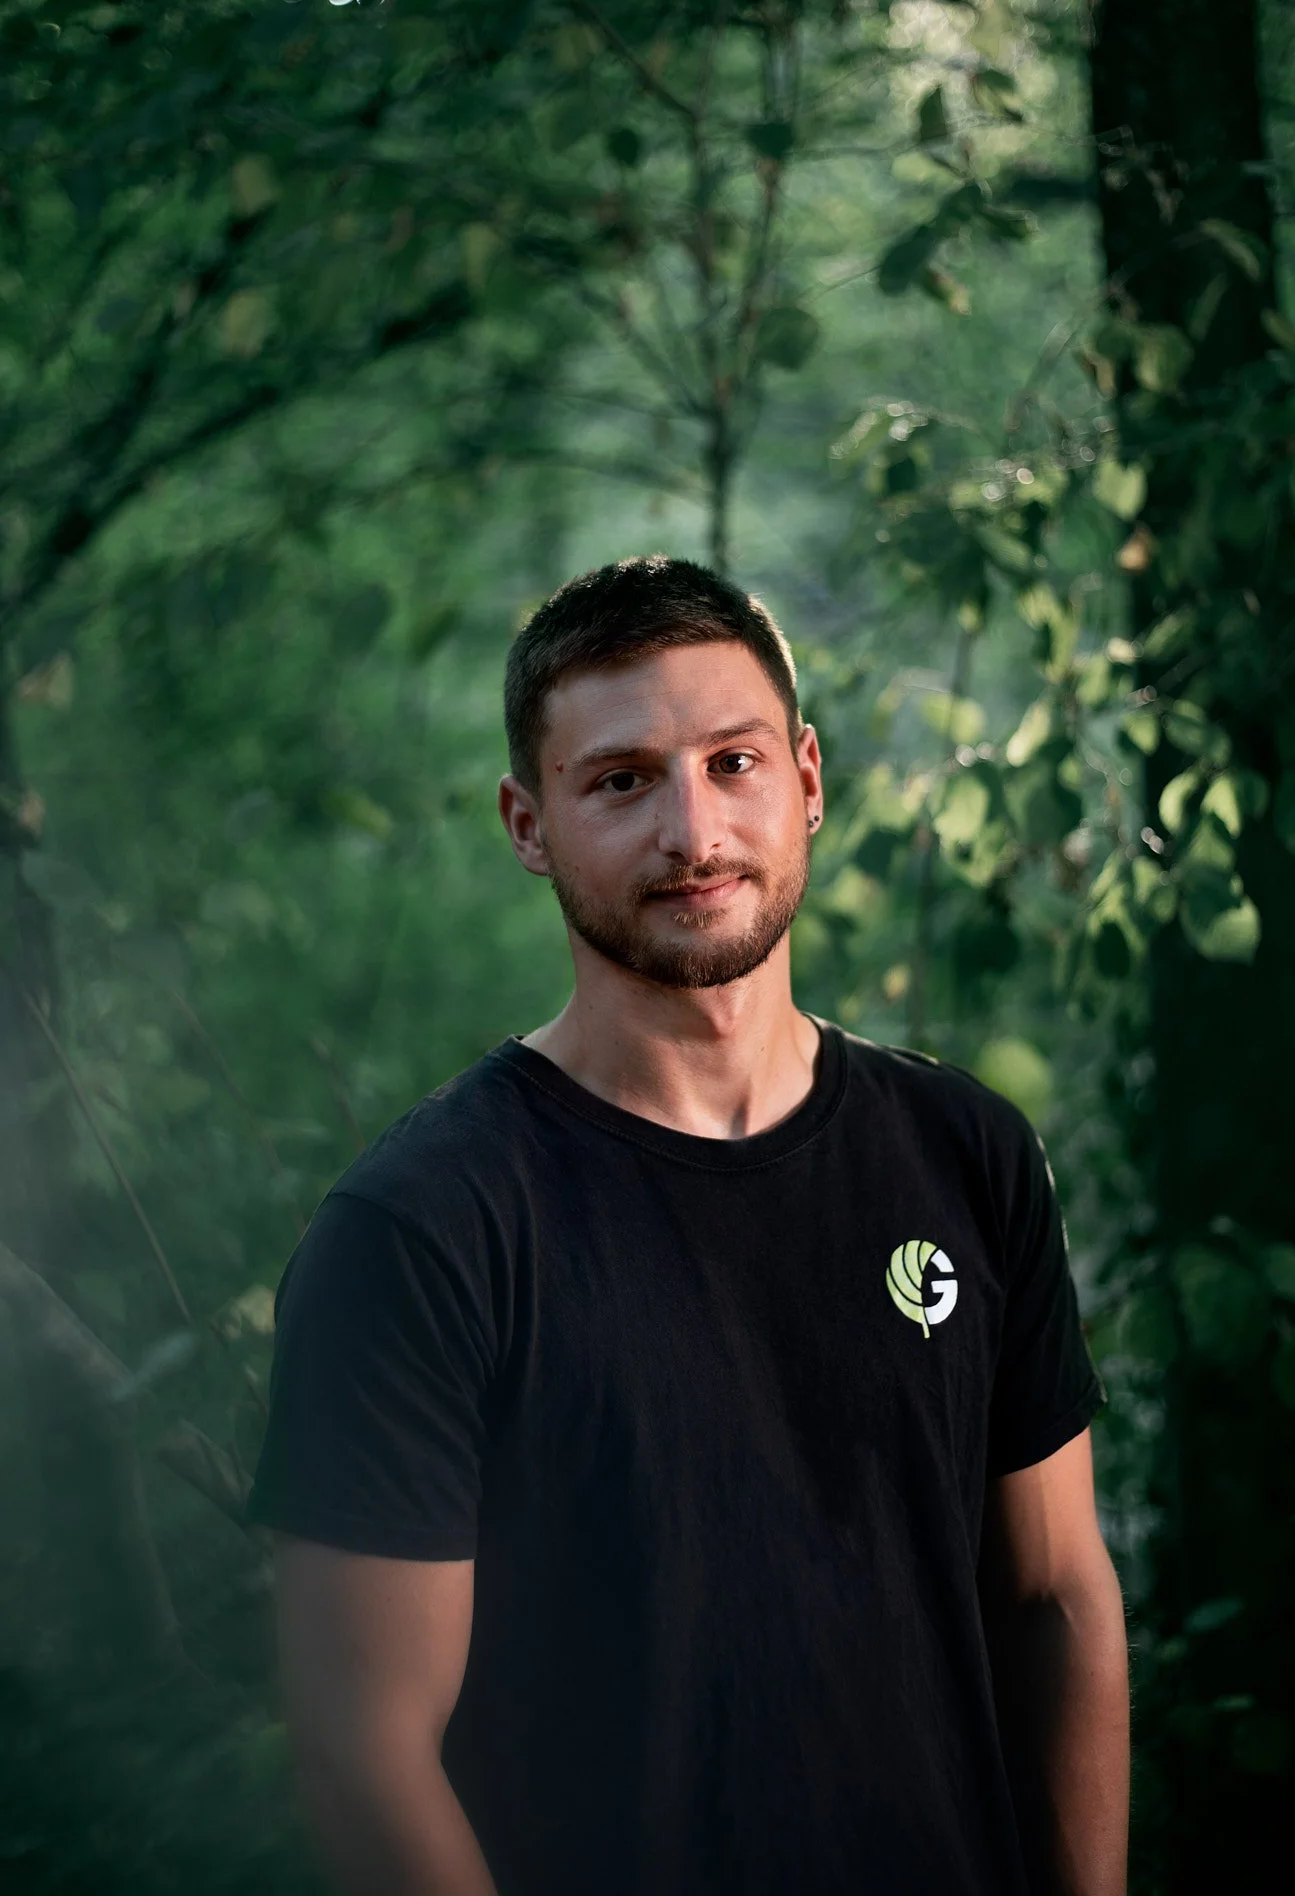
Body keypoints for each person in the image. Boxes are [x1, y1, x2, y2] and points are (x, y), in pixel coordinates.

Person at [247, 555, 1129, 1896]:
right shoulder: (421, 1231)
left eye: (733, 763)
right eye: (621, 781)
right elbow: (363, 1752)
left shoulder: (967, 1153)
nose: (693, 831)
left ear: (808, 778)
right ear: (528, 823)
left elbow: (1055, 1598)